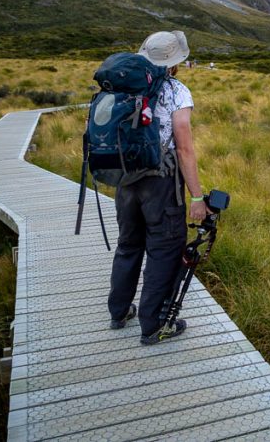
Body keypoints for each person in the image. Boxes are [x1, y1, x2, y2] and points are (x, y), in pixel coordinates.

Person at [106, 30, 209, 345]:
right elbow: (185, 150)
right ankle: (154, 325)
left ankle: (119, 311)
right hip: (161, 183)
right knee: (164, 250)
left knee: (128, 245)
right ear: (175, 62)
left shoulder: (121, 87)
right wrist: (197, 196)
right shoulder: (177, 91)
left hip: (125, 180)